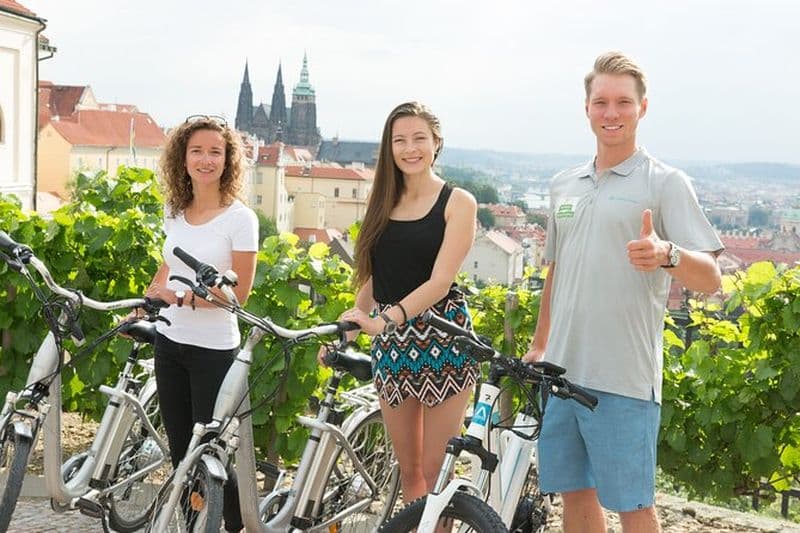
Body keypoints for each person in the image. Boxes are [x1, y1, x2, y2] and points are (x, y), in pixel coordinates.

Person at [523, 52, 723, 533]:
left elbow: (712, 279)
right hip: (563, 373)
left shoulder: (665, 183)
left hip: (625, 380)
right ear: (587, 108)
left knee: (634, 507)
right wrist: (539, 341)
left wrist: (667, 254)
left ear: (642, 108)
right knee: (575, 498)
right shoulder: (562, 185)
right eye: (601, 102)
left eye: (623, 103)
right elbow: (556, 270)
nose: (611, 113)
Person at [325, 102, 478, 510]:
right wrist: (350, 328)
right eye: (400, 141)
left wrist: (386, 320)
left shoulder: (458, 202)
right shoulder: (382, 203)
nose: (410, 149)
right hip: (392, 346)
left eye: (419, 139)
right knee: (409, 470)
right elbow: (375, 279)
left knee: (434, 471)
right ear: (388, 148)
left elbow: (440, 281)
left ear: (436, 143)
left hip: (444, 338)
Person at [145, 115, 258, 533]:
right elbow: (168, 264)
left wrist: (184, 297)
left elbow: (238, 296)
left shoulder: (239, 219)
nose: (206, 160)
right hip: (169, 343)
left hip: (214, 353)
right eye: (197, 151)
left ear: (228, 160)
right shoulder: (174, 210)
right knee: (182, 457)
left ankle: (231, 527)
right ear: (183, 157)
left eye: (215, 151)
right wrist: (148, 301)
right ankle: (193, 526)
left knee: (212, 459)